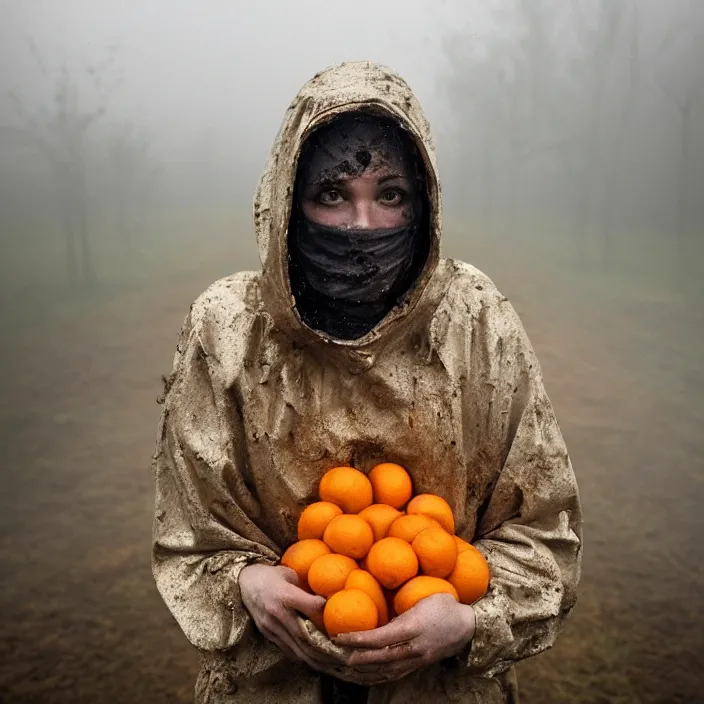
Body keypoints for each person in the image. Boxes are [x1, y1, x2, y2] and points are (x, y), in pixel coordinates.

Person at [151, 61, 582, 704]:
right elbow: (190, 534)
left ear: (423, 201)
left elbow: (545, 533)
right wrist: (245, 584)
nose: (360, 225)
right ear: (287, 200)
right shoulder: (229, 332)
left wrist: (467, 618)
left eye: (389, 195)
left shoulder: (475, 321)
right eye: (332, 193)